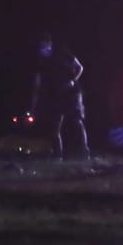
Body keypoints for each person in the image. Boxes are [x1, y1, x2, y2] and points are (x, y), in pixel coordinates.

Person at [28, 31, 90, 161]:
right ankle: (58, 155)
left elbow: (79, 67)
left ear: (50, 44)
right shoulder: (42, 62)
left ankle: (84, 152)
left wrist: (72, 81)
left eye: (44, 45)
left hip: (72, 94)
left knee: (77, 122)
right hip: (57, 96)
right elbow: (37, 85)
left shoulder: (62, 52)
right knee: (54, 127)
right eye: (40, 46)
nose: (43, 49)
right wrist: (33, 107)